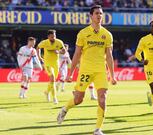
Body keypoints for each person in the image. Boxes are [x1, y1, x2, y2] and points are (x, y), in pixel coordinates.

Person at [57, 5, 117, 135]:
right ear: (91, 16)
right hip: (85, 70)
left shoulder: (107, 35)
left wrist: (112, 75)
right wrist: (70, 73)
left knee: (102, 98)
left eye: (101, 13)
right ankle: (65, 108)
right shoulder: (83, 33)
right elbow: (77, 54)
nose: (99, 16)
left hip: (100, 71)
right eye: (96, 13)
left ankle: (97, 129)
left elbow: (110, 56)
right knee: (78, 99)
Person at [37, 29, 66, 104]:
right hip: (47, 63)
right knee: (52, 78)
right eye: (52, 36)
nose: (54, 38)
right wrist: (39, 57)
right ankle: (55, 98)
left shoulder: (59, 42)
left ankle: (46, 92)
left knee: (52, 80)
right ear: (48, 36)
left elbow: (64, 51)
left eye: (54, 36)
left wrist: (59, 51)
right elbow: (38, 48)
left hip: (56, 63)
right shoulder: (44, 42)